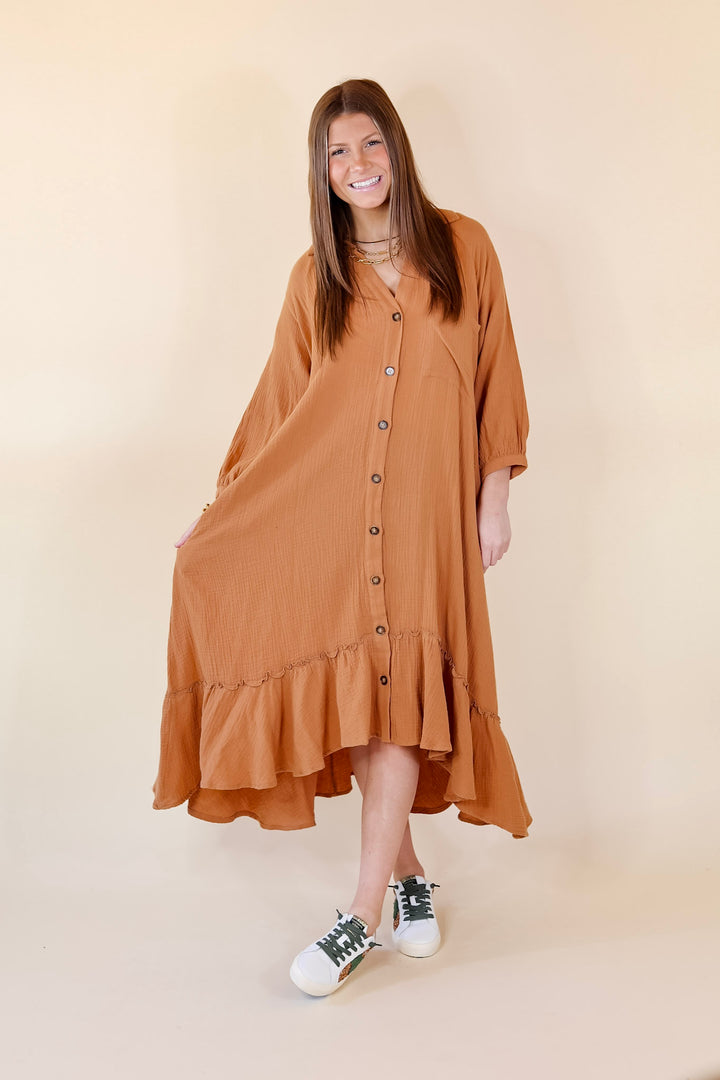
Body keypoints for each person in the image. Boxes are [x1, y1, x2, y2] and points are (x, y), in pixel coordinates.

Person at [152, 78, 532, 998]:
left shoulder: (465, 248)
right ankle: (392, 892)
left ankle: (362, 914)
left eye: (370, 143)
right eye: (337, 153)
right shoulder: (313, 279)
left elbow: (498, 375)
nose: (358, 165)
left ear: (396, 147)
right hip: (329, 519)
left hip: (424, 523)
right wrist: (222, 511)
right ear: (321, 171)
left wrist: (493, 496)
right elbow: (279, 406)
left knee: (394, 694)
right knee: (369, 699)